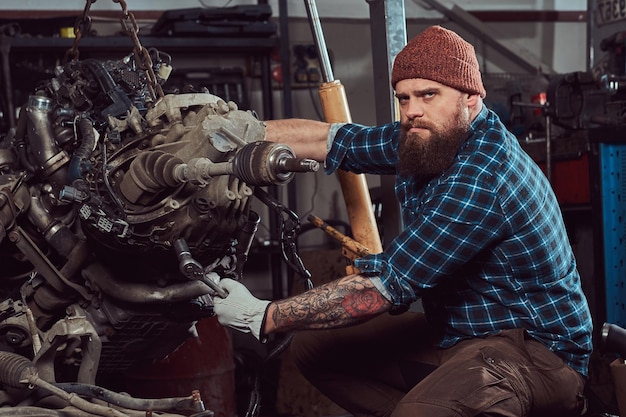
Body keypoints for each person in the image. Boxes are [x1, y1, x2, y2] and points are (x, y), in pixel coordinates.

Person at [213, 25, 593, 417]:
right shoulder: (430, 134)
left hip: (536, 355)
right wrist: (233, 136)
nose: (412, 110)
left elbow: (384, 287)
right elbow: (331, 140)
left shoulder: (484, 174)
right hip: (463, 334)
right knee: (313, 349)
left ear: (471, 98)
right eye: (405, 97)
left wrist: (261, 315)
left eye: (429, 95)